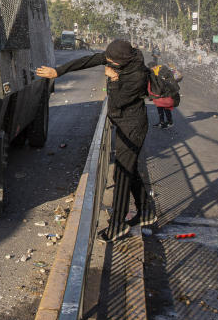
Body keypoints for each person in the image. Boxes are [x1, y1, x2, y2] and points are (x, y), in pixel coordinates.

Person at [36, 39, 155, 242]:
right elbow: (88, 60)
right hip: (125, 125)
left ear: (119, 62)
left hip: (133, 127)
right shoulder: (120, 58)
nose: (105, 62)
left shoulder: (137, 75)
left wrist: (113, 81)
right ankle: (145, 212)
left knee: (122, 174)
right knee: (130, 169)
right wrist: (58, 71)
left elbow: (116, 104)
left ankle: (117, 225)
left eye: (109, 61)